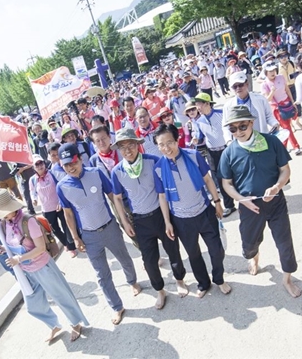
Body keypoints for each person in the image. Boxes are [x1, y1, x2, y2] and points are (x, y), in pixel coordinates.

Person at [0, 189, 89, 342]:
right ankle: (53, 325)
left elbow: (39, 248)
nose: (1, 216)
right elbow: (14, 243)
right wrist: (4, 249)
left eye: (3, 212)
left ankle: (75, 323)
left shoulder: (28, 221)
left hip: (42, 266)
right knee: (33, 304)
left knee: (61, 296)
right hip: (26, 271)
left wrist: (18, 259)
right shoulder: (6, 223)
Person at [219, 106, 302, 297]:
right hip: (249, 207)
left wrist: (276, 187)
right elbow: (226, 183)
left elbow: (285, 169)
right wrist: (241, 199)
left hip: (276, 203)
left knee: (284, 243)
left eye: (242, 126)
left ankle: (287, 279)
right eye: (233, 128)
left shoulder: (271, 141)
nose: (238, 132)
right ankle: (254, 257)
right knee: (249, 244)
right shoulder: (229, 153)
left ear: (251, 122)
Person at [56, 143, 140, 325]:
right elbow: (68, 214)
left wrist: (123, 221)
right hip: (89, 236)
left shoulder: (96, 173)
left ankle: (132, 281)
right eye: (66, 165)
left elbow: (112, 197)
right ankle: (117, 307)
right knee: (102, 275)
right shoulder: (62, 187)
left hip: (109, 227)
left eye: (73, 162)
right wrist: (76, 238)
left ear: (79, 159)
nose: (70, 167)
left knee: (124, 258)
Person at [110, 128, 189, 309]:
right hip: (140, 220)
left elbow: (165, 189)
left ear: (138, 145)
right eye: (122, 147)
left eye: (131, 145)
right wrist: (125, 222)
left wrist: (169, 218)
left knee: (173, 250)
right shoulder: (117, 171)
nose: (127, 150)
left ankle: (180, 280)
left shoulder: (153, 161)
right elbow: (117, 198)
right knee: (149, 261)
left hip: (160, 215)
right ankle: (160, 291)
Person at [153, 124, 231, 298]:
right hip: (181, 220)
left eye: (169, 142)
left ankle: (219, 279)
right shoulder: (158, 168)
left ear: (177, 140)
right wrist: (167, 222)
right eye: (161, 144)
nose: (166, 148)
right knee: (193, 255)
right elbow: (162, 197)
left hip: (204, 212)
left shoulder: (193, 155)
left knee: (216, 250)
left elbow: (208, 180)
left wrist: (217, 202)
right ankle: (203, 283)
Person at [194, 93, 237, 217]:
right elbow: (200, 137)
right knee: (219, 179)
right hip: (212, 153)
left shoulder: (222, 114)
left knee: (234, 174)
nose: (198, 107)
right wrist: (196, 139)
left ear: (207, 103)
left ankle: (244, 197)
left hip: (227, 149)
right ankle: (230, 206)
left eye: (199, 104)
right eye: (196, 104)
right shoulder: (199, 121)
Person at [29, 154, 77, 258]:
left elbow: (61, 187)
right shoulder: (32, 180)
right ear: (33, 167)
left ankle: (72, 247)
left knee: (66, 226)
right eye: (36, 164)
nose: (39, 166)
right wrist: (34, 200)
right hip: (46, 209)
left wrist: (61, 201)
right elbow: (33, 192)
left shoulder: (52, 174)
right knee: (54, 229)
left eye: (40, 163)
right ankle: (66, 244)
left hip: (59, 205)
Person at [222, 71, 279, 144]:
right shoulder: (228, 106)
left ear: (247, 84)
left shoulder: (260, 99)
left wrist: (275, 124)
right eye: (235, 86)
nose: (238, 88)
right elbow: (226, 126)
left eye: (240, 85)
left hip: (262, 140)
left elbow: (268, 116)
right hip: (242, 144)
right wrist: (229, 141)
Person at [261, 61, 302, 154]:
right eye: (270, 71)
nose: (272, 72)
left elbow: (287, 90)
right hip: (277, 108)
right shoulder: (264, 84)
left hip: (287, 104)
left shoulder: (280, 77)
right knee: (287, 127)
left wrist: (293, 103)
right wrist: (272, 91)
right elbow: (267, 99)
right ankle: (296, 146)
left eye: (273, 70)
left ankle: (282, 148)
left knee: (286, 127)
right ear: (265, 72)